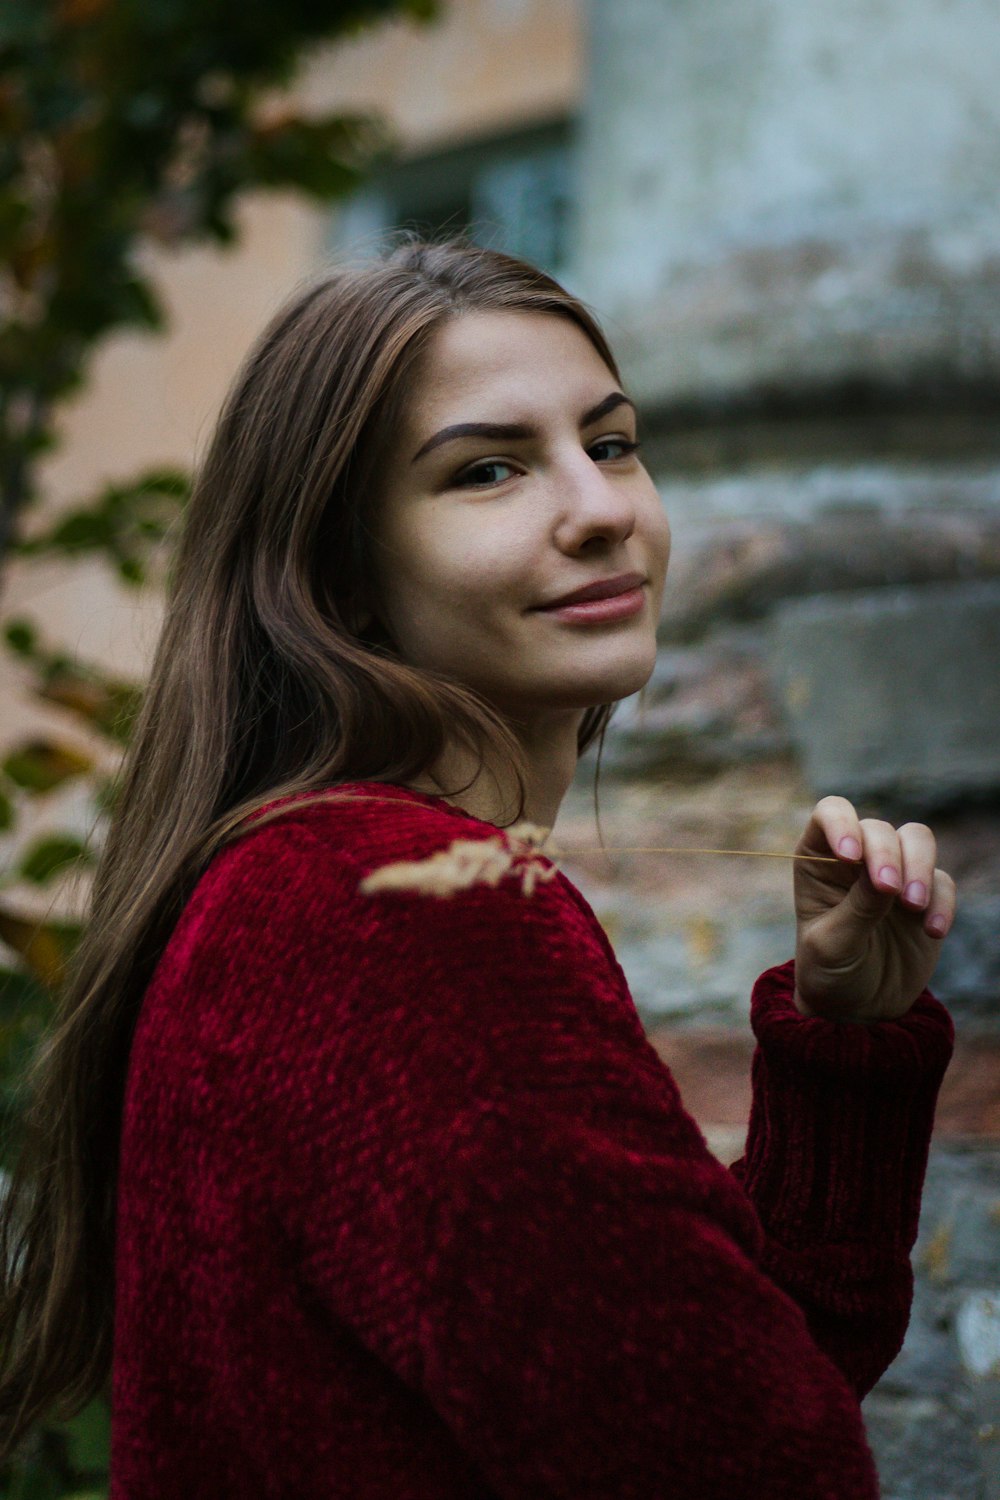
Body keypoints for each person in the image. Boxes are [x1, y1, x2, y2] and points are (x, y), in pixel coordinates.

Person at [0, 239, 956, 1498]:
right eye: (488, 470)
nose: (601, 507)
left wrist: (846, 1045)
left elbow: (734, 1386)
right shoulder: (396, 912)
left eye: (610, 443)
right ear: (338, 574)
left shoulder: (306, 882)